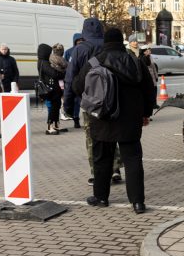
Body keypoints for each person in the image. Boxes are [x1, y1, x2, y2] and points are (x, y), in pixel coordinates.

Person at [73, 27, 156, 213]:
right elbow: (149, 89)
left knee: (102, 159)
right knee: (133, 160)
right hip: (129, 119)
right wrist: (146, 113)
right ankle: (137, 202)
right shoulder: (134, 61)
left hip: (102, 118)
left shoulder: (94, 62)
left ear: (105, 42)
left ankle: (101, 197)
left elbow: (78, 86)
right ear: (122, 41)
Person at [65, 18, 122, 184]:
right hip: (112, 99)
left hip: (89, 101)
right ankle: (115, 168)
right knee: (111, 132)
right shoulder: (109, 46)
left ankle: (97, 172)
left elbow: (70, 78)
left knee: (92, 137)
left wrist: (68, 105)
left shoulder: (79, 50)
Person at [37, 43, 67, 135]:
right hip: (51, 89)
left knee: (56, 106)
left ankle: (56, 125)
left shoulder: (42, 61)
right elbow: (54, 74)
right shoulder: (44, 62)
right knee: (53, 108)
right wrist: (63, 74)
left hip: (53, 88)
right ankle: (50, 127)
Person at [64, 33, 84, 128]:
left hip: (84, 78)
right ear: (75, 41)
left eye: (81, 40)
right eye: (78, 40)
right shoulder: (69, 52)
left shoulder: (86, 49)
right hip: (74, 79)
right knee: (76, 101)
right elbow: (66, 65)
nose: (80, 42)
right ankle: (76, 119)